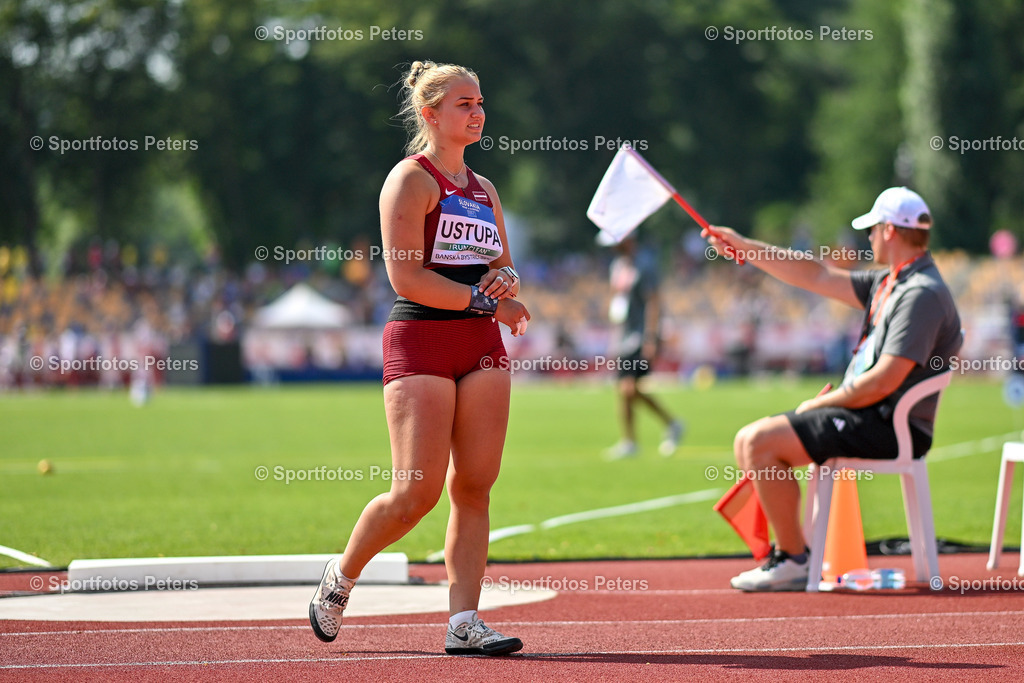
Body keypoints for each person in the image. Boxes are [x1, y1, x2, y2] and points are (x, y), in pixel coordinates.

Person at [308, 60, 530, 655]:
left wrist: (505, 285)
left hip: (480, 343)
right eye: (464, 104)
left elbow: (499, 264)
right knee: (415, 493)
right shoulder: (410, 179)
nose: (478, 112)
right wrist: (486, 301)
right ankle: (342, 575)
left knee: (476, 485)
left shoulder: (484, 190)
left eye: (481, 102)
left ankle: (464, 621)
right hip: (423, 339)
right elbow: (406, 276)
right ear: (430, 114)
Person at [704, 187, 961, 591]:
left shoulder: (920, 294)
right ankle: (790, 554)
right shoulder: (892, 283)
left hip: (888, 424)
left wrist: (821, 402)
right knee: (749, 444)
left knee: (758, 443)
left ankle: (793, 559)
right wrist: (745, 247)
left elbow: (884, 381)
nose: (869, 238)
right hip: (870, 413)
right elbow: (815, 275)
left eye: (872, 230)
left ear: (890, 231)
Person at [602, 232, 684, 459]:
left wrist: (650, 337)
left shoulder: (645, 264)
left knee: (628, 387)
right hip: (623, 334)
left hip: (640, 334)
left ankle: (671, 423)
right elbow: (616, 302)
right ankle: (630, 441)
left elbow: (653, 301)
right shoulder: (617, 266)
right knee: (623, 390)